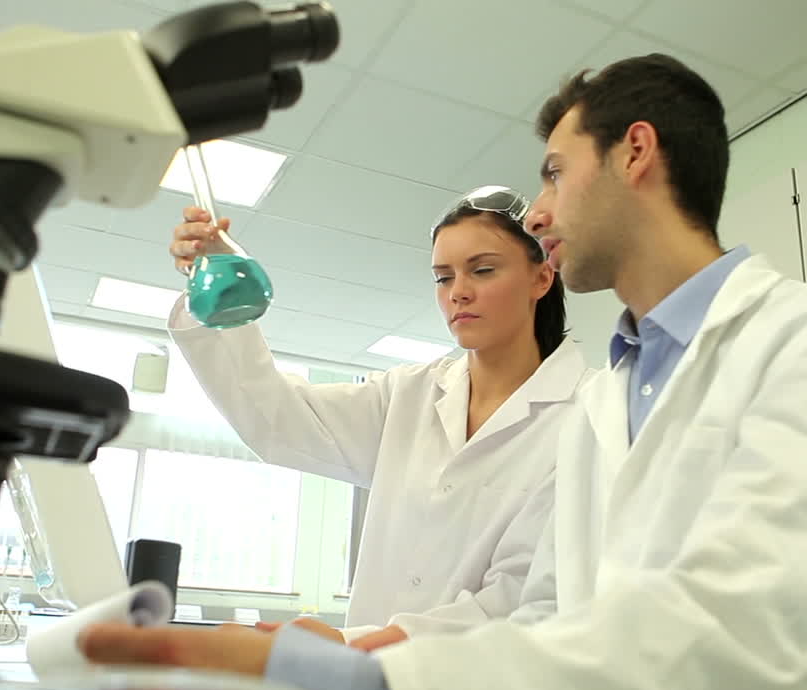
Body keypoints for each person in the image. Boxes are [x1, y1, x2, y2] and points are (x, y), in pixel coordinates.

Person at [80, 54, 807, 690]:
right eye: (443, 276)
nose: (539, 213)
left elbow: (746, 627)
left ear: (636, 153)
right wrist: (377, 655)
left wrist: (373, 678)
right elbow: (561, 613)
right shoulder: (609, 398)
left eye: (553, 171)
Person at [161, 185, 590, 648]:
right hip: (363, 688)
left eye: (482, 270)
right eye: (443, 278)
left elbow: (525, 599)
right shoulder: (408, 395)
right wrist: (220, 287)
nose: (459, 293)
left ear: (542, 279)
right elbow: (275, 419)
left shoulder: (586, 414)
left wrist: (352, 644)